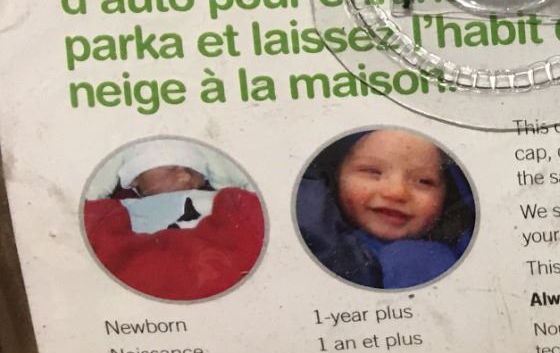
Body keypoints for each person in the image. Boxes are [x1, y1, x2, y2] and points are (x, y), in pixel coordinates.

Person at [83, 140, 265, 302]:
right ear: (135, 179)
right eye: (170, 167)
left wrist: (222, 166)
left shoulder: (225, 199)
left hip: (215, 265)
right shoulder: (118, 209)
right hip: (151, 269)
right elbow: (86, 206)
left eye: (193, 170)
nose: (185, 175)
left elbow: (257, 198)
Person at [296, 129, 474, 289]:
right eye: (372, 172)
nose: (396, 192)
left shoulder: (427, 262)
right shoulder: (310, 231)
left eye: (424, 181)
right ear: (336, 176)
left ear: (449, 194)